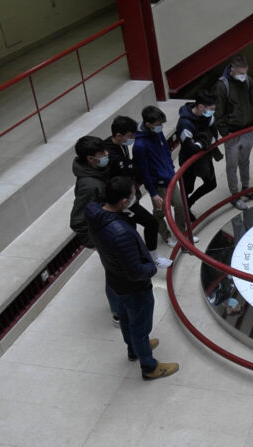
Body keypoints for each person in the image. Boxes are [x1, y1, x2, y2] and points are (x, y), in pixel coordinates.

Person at [85, 176, 179, 379]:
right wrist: (152, 268)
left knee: (126, 319)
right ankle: (149, 366)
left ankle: (134, 349)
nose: (136, 197)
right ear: (123, 202)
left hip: (115, 280)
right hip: (134, 287)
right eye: (132, 195)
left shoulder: (94, 212)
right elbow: (135, 271)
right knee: (140, 326)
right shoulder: (120, 234)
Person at [103, 116, 172, 268]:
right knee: (151, 223)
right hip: (123, 201)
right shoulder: (110, 154)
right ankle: (152, 257)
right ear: (119, 135)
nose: (133, 138)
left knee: (133, 227)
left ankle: (140, 255)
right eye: (130, 136)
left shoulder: (119, 144)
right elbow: (127, 169)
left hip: (130, 194)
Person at [132, 105, 193, 246]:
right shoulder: (140, 146)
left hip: (170, 178)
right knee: (160, 213)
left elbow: (165, 151)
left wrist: (171, 169)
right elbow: (144, 171)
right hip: (157, 185)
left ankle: (182, 233)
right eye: (158, 125)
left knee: (180, 205)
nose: (161, 127)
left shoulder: (157, 133)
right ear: (148, 124)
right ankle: (165, 235)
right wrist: (153, 193)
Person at [214, 54, 253, 208]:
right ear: (232, 69)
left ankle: (246, 188)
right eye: (240, 73)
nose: (243, 76)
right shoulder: (222, 86)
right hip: (232, 133)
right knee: (232, 165)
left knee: (245, 161)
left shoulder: (248, 81)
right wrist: (225, 133)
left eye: (245, 72)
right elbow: (218, 111)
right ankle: (235, 195)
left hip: (248, 129)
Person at [176, 90, 222, 213]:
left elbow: (214, 135)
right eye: (211, 108)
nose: (213, 112)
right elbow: (190, 148)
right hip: (188, 162)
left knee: (211, 184)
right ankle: (185, 211)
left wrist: (200, 143)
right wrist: (205, 142)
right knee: (187, 189)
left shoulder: (208, 117)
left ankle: (190, 203)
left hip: (204, 159)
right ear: (201, 107)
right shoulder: (184, 124)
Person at [69, 136, 110, 249]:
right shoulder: (89, 186)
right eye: (101, 153)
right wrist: (99, 244)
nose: (107, 153)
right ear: (90, 159)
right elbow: (77, 222)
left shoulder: (98, 171)